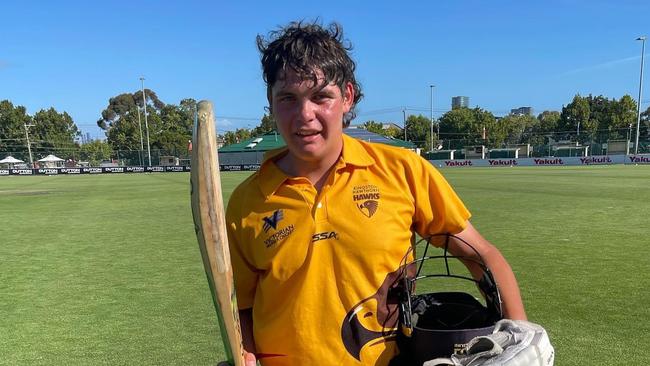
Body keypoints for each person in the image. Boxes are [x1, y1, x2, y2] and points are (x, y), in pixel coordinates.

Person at [224, 21, 526, 366]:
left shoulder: (402, 170)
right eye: (288, 99)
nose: (304, 115)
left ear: (347, 97)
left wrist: (520, 334)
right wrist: (244, 353)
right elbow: (242, 307)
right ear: (271, 103)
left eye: (321, 96)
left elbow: (480, 252)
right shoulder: (246, 203)